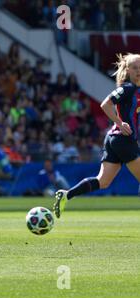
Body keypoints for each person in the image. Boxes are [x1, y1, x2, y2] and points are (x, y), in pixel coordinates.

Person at [54, 53, 140, 217]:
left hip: (115, 139)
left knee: (103, 181)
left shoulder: (136, 91)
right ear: (128, 70)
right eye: (135, 68)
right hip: (122, 139)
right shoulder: (127, 88)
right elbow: (105, 104)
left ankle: (66, 194)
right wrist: (120, 123)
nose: (139, 71)